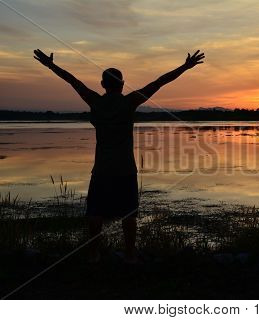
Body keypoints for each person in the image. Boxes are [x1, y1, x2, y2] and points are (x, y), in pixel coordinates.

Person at [33, 48, 205, 263]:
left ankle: (93, 254)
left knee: (95, 211)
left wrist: (50, 65)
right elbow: (159, 82)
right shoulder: (129, 102)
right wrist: (185, 67)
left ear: (103, 85)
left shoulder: (95, 100)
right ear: (122, 85)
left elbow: (73, 81)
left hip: (102, 169)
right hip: (125, 169)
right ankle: (130, 254)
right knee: (129, 213)